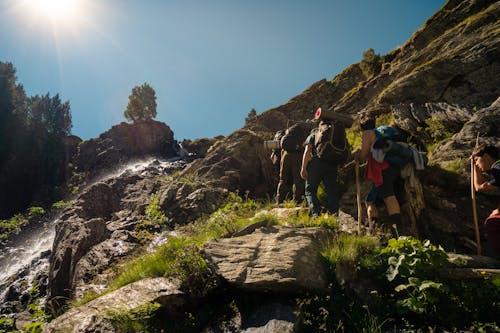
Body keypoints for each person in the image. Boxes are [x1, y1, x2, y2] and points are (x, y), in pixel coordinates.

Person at [354, 116, 405, 234]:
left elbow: (363, 154)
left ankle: (397, 231)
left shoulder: (368, 133)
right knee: (371, 200)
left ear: (362, 127)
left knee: (388, 197)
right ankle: (377, 228)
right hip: (395, 166)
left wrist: (358, 156)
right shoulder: (382, 132)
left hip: (381, 169)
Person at [300, 123, 340, 216]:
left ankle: (316, 214)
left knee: (310, 190)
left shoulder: (313, 135)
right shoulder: (333, 135)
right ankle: (334, 215)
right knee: (331, 190)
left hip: (316, 163)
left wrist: (303, 168)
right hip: (332, 164)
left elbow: (307, 151)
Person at [276, 124, 309, 204]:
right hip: (296, 155)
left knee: (282, 179)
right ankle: (297, 200)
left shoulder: (289, 133)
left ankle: (279, 200)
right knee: (297, 179)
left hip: (285, 155)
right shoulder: (302, 133)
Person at [472, 144, 500, 216]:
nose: (476, 164)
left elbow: (478, 188)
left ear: (486, 156)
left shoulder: (496, 169)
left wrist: (475, 169)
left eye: (476, 160)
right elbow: (480, 187)